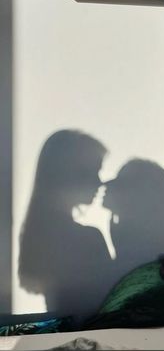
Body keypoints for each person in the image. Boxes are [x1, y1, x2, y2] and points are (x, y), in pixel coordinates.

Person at [19, 130, 111, 323]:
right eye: (92, 171)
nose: (100, 181)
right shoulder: (88, 239)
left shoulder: (39, 238)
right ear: (68, 175)